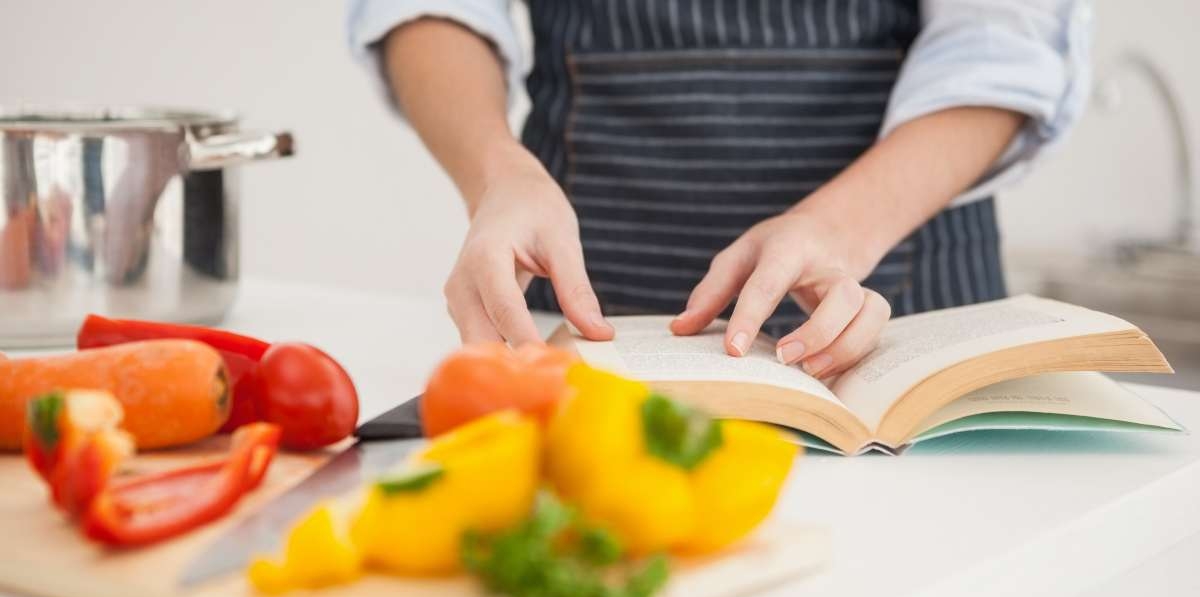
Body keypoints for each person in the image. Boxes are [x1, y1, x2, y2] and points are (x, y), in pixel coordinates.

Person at [347, 0, 1090, 377]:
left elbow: (1002, 43)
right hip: (580, 309)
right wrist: (497, 176)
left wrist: (842, 227)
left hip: (905, 292)